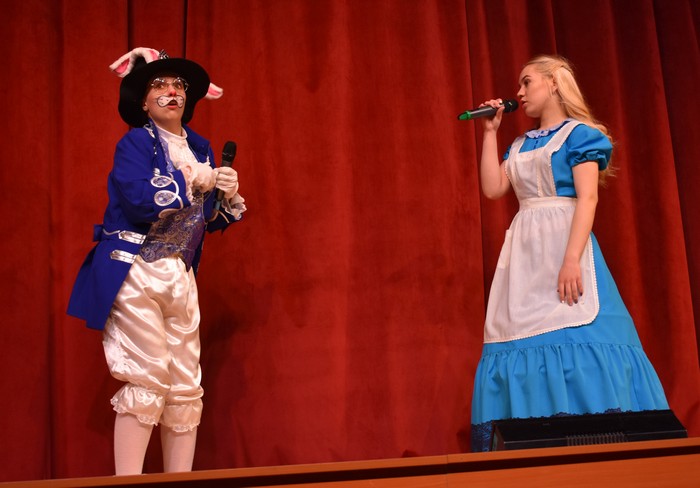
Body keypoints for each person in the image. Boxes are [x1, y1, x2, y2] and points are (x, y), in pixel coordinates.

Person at [470, 54, 669, 452]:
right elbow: (493, 189)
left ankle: (603, 443)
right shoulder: (520, 144)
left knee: (580, 330)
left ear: (554, 83)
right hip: (525, 256)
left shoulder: (580, 135)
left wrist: (570, 259)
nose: (519, 92)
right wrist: (490, 133)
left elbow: (588, 199)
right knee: (518, 337)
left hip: (564, 243)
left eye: (527, 82)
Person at [67, 47, 246, 474]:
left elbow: (201, 220)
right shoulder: (134, 143)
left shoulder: (200, 148)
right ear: (144, 102)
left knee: (185, 384)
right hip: (136, 268)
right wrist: (193, 179)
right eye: (159, 85)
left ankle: (178, 482)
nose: (172, 91)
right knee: (148, 376)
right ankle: (128, 484)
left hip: (180, 274)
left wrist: (226, 195)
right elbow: (139, 199)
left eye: (179, 85)